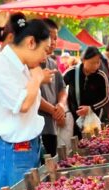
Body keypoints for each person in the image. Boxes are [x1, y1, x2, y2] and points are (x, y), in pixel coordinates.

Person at [0, 13, 49, 190]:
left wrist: (36, 76)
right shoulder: (0, 63)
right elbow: (24, 104)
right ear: (31, 43)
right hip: (12, 151)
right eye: (45, 50)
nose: (45, 57)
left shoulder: (22, 66)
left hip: (28, 146)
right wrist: (37, 78)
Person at [64, 46, 109, 137]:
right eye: (92, 63)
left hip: (94, 119)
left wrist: (90, 108)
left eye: (98, 63)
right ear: (84, 60)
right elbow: (60, 88)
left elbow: (106, 98)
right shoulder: (71, 72)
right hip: (74, 119)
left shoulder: (101, 76)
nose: (96, 66)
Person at [38, 19, 67, 159]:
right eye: (51, 37)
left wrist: (61, 105)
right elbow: (32, 96)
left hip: (51, 128)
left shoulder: (52, 63)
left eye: (56, 38)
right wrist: (54, 111)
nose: (53, 42)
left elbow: (62, 88)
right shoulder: (31, 64)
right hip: (37, 130)